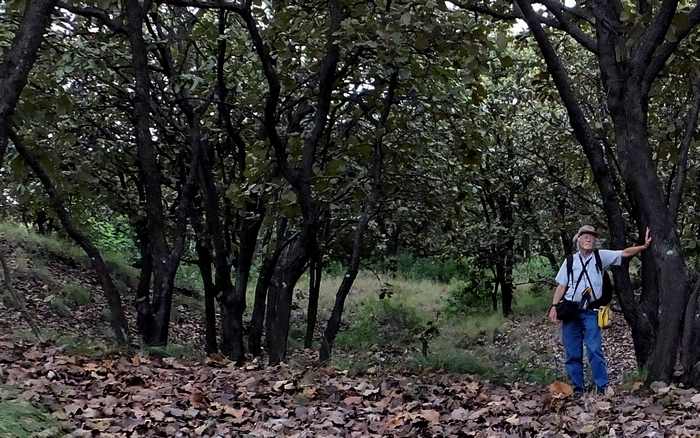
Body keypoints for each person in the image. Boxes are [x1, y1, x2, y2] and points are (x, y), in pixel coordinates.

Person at [548, 225, 652, 395]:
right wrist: (554, 306)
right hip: (571, 311)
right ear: (578, 239)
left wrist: (644, 246)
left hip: (590, 311)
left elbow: (624, 253)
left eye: (592, 236)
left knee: (594, 349)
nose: (589, 239)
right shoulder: (569, 261)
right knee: (572, 353)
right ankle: (578, 389)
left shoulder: (600, 256)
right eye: (585, 236)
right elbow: (562, 285)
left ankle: (602, 387)